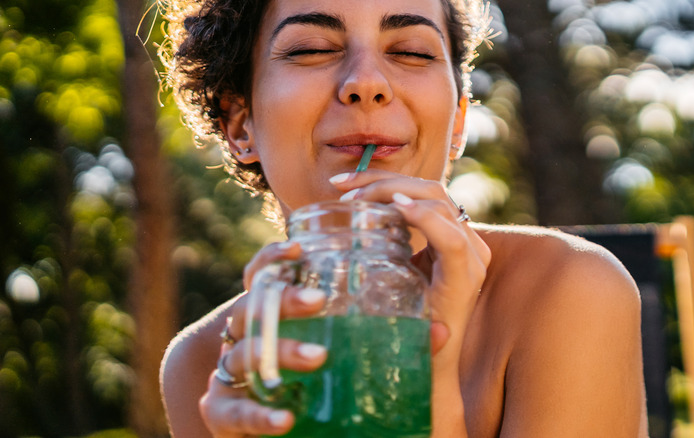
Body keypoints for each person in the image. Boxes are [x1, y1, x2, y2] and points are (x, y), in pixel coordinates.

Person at [158, 0, 649, 436]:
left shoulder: (568, 287)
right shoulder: (209, 366)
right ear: (240, 125)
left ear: (457, 120)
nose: (367, 83)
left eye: (412, 52)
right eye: (310, 48)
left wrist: (424, 386)